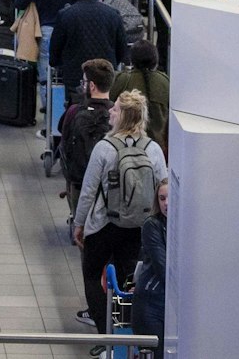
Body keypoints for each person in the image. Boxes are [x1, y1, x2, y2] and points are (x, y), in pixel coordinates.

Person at [73, 90, 168, 335]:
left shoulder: (104, 148)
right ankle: (123, 330)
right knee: (127, 280)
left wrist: (79, 223)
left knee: (92, 274)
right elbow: (163, 186)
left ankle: (104, 330)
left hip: (103, 224)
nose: (111, 113)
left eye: (115, 109)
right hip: (137, 227)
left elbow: (88, 191)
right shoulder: (153, 149)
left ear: (123, 116)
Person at [50, 0, 130, 101]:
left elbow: (55, 51)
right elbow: (122, 50)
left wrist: (62, 65)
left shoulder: (66, 15)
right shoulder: (113, 14)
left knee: (75, 114)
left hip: (75, 77)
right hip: (105, 78)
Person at [130, 179, 168, 341]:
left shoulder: (187, 227)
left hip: (167, 304)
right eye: (162, 198)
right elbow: (163, 267)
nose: (166, 203)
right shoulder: (152, 226)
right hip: (150, 305)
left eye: (170, 198)